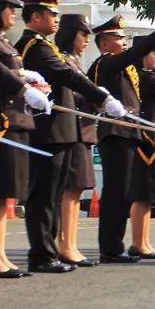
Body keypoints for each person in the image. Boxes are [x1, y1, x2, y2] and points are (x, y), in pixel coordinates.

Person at [88, 12, 155, 263]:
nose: (124, 41)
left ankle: (115, 246)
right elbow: (139, 50)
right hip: (115, 132)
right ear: (104, 43)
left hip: (128, 132)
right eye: (118, 37)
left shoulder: (123, 68)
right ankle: (111, 248)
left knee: (122, 192)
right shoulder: (107, 63)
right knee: (115, 192)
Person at [0, 0, 54, 281]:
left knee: (0, 194)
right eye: (9, 8)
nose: (13, 14)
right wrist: (23, 83)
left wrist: (27, 78)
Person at [44, 13, 107, 267]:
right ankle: (65, 245)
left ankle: (69, 243)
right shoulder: (62, 61)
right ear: (70, 35)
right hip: (73, 131)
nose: (85, 41)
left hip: (83, 131)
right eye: (83, 35)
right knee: (70, 190)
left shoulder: (73, 61)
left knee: (77, 188)